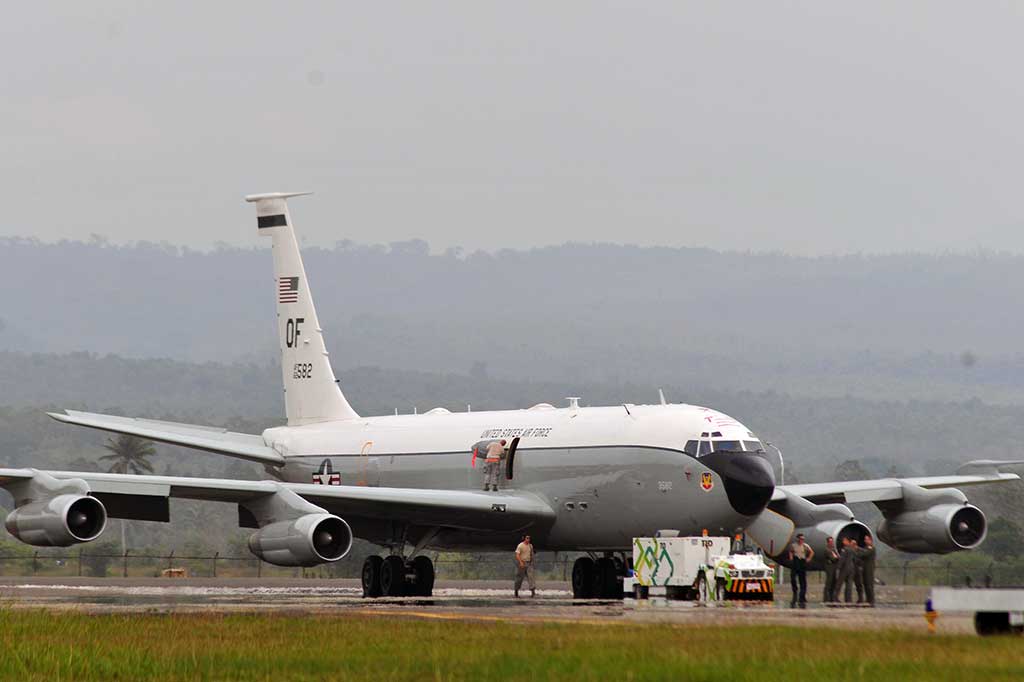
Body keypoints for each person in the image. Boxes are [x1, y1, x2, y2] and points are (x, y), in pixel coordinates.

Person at [787, 533, 814, 607]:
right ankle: (795, 591)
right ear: (798, 539)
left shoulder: (805, 546)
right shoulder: (794, 545)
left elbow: (811, 552)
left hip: (802, 561)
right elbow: (790, 551)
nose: (802, 540)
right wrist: (791, 558)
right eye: (801, 539)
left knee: (802, 580)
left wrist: (808, 559)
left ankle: (802, 596)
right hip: (796, 561)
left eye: (803, 539)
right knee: (793, 578)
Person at [836, 537, 856, 604]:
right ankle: (848, 599)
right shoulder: (852, 549)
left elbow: (842, 559)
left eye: (844, 540)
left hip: (844, 569)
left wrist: (838, 567)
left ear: (847, 541)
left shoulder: (845, 549)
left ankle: (835, 598)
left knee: (839, 584)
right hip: (851, 568)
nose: (843, 542)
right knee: (849, 585)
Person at [858, 535, 876, 606]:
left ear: (870, 540)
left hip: (869, 569)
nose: (865, 541)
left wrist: (857, 549)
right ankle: (868, 599)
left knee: (869, 584)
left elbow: (864, 554)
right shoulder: (865, 547)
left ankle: (871, 600)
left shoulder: (871, 548)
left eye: (867, 539)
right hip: (864, 568)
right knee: (865, 584)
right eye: (865, 539)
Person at [822, 536, 840, 603]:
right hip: (829, 568)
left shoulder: (833, 549)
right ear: (828, 542)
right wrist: (836, 557)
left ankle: (832, 597)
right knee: (829, 583)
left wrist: (836, 557)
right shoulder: (827, 550)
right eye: (830, 542)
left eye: (832, 541)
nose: (831, 543)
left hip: (834, 568)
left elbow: (837, 557)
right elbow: (833, 558)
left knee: (834, 583)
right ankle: (826, 598)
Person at [851, 538, 865, 603]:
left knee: (859, 584)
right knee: (855, 584)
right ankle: (859, 598)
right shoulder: (851, 550)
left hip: (858, 568)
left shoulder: (860, 550)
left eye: (853, 544)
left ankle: (860, 598)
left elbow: (862, 558)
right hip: (853, 568)